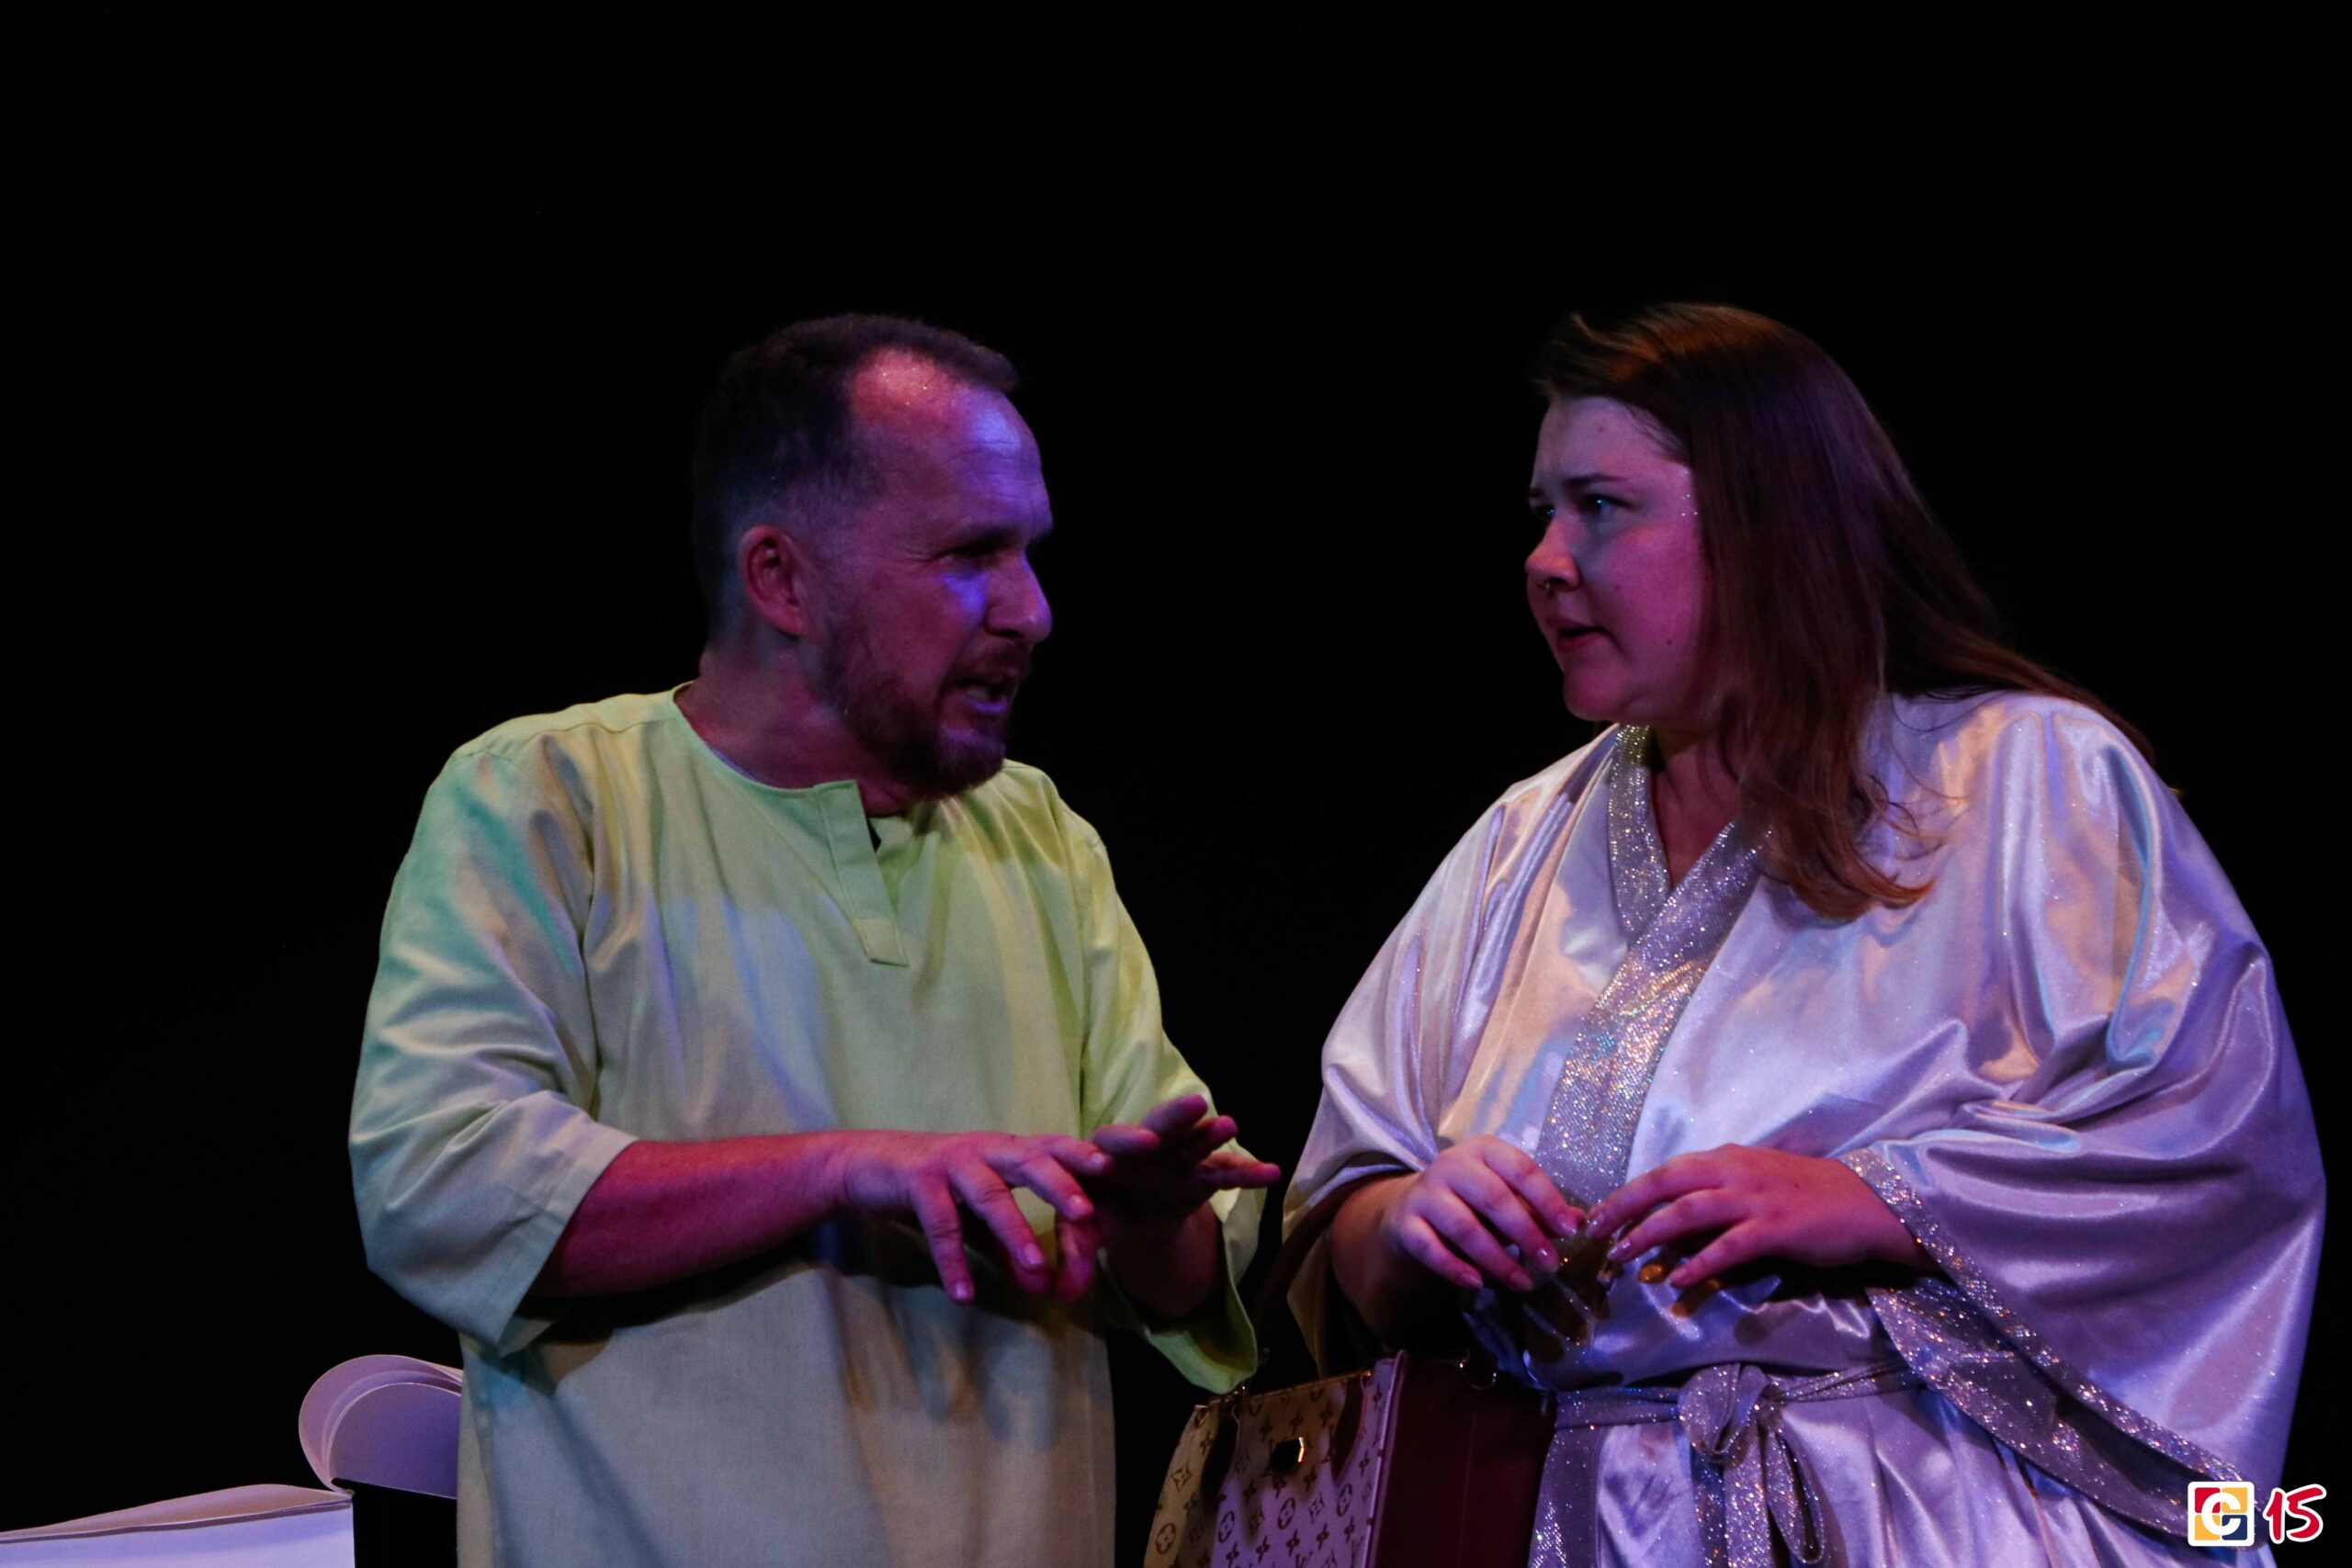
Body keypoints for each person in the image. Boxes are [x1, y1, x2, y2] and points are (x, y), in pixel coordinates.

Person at [1288, 304, 2321, 1566]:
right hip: (1560, 1523)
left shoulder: (2024, 781)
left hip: (1912, 1517)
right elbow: (1347, 1217)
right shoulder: (1517, 842)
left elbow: (2215, 1147)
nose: (1547, 560)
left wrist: (1884, 1198)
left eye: (1602, 507)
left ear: (1767, 523)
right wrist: (1407, 1223)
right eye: (1543, 512)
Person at [351, 315, 1278, 1568]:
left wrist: (1148, 1219)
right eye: (971, 555)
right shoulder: (552, 800)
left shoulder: (1040, 841)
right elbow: (440, 1187)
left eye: (1030, 554)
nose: (1032, 611)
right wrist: (838, 1171)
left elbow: (1186, 1277)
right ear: (782, 579)